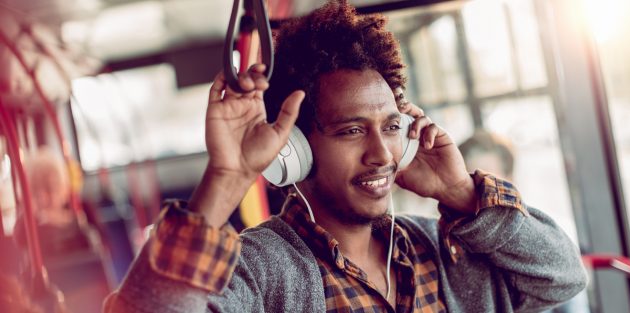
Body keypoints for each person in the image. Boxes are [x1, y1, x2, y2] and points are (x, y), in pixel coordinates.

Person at [104, 1, 587, 312]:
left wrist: (461, 194)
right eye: (352, 130)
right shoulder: (261, 268)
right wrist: (227, 177)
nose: (381, 154)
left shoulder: (439, 249)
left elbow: (562, 276)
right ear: (293, 149)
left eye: (392, 128)